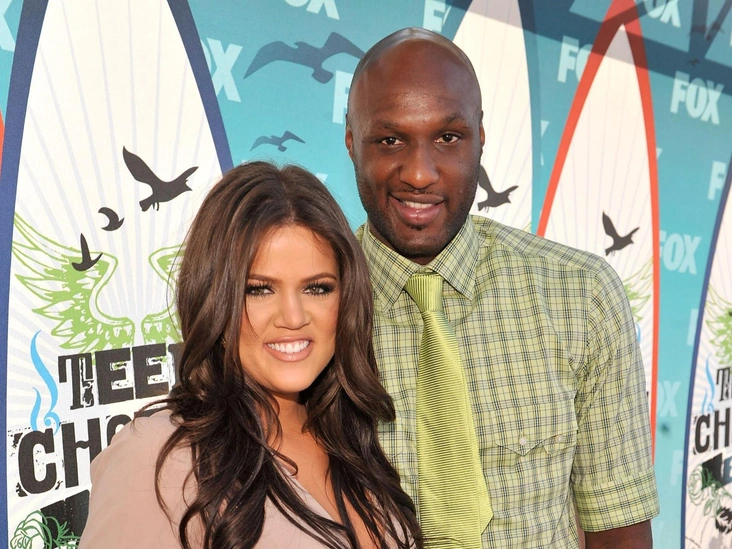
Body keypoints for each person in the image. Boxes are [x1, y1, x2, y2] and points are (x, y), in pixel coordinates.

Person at [345, 28, 660, 548]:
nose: (419, 173)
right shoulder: (310, 311)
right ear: (352, 142)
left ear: (481, 138)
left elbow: (620, 530)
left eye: (449, 138)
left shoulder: (580, 296)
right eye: (390, 140)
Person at [80, 162, 422, 549]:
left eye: (317, 288)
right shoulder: (159, 456)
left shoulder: (352, 443)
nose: (293, 317)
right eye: (259, 289)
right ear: (215, 298)